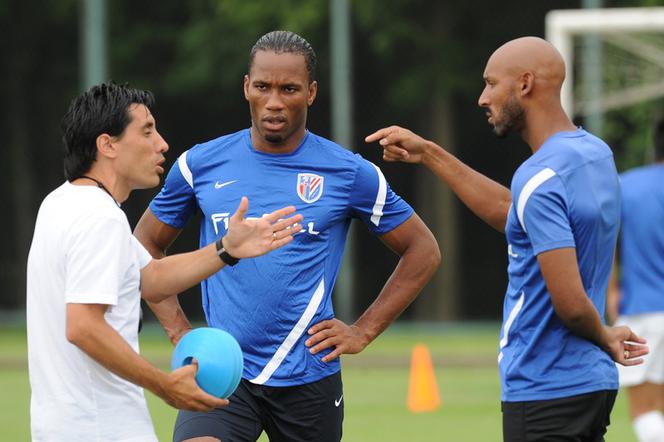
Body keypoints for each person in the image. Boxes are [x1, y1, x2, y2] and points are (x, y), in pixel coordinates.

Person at [134, 30, 440, 442]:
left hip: (309, 375)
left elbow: (423, 250)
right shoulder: (198, 165)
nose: (274, 101)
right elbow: (145, 245)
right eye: (263, 86)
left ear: (311, 93)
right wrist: (178, 331)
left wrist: (362, 331)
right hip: (223, 368)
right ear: (247, 87)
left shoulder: (349, 173)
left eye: (289, 88)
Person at [366, 36, 649, 441]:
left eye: (491, 83)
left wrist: (605, 335)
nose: (483, 98)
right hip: (590, 385)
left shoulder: (539, 176)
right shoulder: (594, 154)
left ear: (525, 84)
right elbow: (511, 211)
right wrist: (428, 153)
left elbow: (569, 303)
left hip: (543, 386)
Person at [26, 82, 302, 442]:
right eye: (147, 131)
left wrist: (226, 248)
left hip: (59, 426)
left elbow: (151, 277)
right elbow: (83, 326)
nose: (162, 144)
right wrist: (165, 386)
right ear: (107, 144)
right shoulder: (100, 218)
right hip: (100, 429)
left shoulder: (61, 203)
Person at [606, 119, 664, 442]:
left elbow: (606, 240)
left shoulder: (627, 185)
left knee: (645, 410)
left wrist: (611, 290)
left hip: (643, 308)